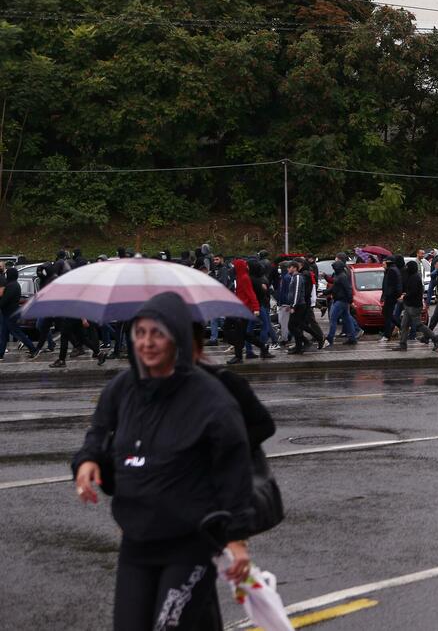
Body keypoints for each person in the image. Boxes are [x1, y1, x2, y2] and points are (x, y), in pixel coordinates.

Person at [72, 292, 254, 630]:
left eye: (157, 333)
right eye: (140, 333)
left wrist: (236, 537)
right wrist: (87, 461)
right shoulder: (123, 388)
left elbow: (234, 467)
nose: (147, 342)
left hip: (190, 542)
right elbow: (98, 431)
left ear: (177, 338)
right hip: (137, 542)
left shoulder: (209, 396)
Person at [394, 261, 438, 352]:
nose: (406, 268)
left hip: (414, 306)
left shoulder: (415, 278)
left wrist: (404, 296)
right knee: (404, 325)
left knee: (418, 325)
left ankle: (435, 338)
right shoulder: (412, 276)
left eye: (408, 267)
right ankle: (402, 345)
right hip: (409, 305)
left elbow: (413, 292)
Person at [0, 267, 40, 361]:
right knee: (3, 334)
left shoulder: (12, 286)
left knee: (17, 333)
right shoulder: (14, 284)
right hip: (8, 313)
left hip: (10, 314)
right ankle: (1, 353)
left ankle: (33, 349)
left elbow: (4, 300)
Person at [325, 261, 359, 347]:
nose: (333, 269)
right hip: (343, 300)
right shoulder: (340, 275)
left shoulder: (341, 276)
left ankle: (330, 339)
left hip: (341, 300)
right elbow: (335, 287)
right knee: (347, 319)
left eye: (334, 268)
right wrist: (325, 292)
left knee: (333, 319)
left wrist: (350, 300)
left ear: (337, 268)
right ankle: (352, 338)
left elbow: (348, 289)